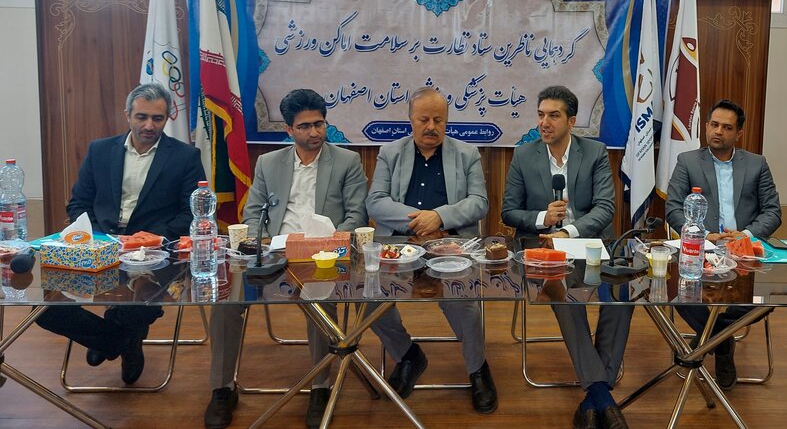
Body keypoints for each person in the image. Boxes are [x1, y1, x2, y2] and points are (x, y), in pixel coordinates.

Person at [204, 89, 367, 429]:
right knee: (226, 302)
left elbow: (356, 217)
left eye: (319, 124)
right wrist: (261, 243)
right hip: (273, 254)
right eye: (305, 126)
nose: (314, 132)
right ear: (289, 130)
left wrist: (328, 243)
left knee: (320, 300)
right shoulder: (269, 163)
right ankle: (222, 389)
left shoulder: (347, 161)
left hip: (323, 256)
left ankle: (320, 387)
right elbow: (253, 214)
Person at [36, 82, 205, 384]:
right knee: (45, 310)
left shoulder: (185, 156)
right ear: (127, 115)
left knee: (140, 305)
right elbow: (79, 203)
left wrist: (145, 239)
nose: (149, 125)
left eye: (157, 118)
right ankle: (118, 340)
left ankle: (114, 334)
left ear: (168, 118)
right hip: (100, 247)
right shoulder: (100, 150)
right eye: (141, 117)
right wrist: (96, 238)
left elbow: (190, 212)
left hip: (155, 254)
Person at [501, 85, 630, 429]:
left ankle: (595, 394)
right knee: (563, 294)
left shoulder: (595, 152)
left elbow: (605, 208)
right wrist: (543, 218)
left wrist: (569, 231)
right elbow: (509, 211)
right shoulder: (524, 155)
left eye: (553, 116)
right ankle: (602, 396)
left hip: (590, 243)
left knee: (623, 294)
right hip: (543, 249)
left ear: (571, 121)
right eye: (541, 115)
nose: (544, 123)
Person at [365, 87, 498, 414]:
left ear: (447, 120)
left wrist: (440, 217)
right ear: (410, 119)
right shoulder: (390, 152)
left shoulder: (466, 153)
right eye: (423, 119)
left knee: (464, 302)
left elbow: (479, 202)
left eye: (438, 120)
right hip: (400, 246)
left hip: (450, 244)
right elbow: (376, 202)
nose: (431, 127)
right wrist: (420, 221)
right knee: (367, 300)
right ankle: (408, 355)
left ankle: (477, 369)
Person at [665, 98, 782, 390]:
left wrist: (747, 235)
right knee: (678, 294)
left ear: (738, 133)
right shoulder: (688, 161)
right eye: (714, 125)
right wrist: (702, 234)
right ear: (706, 126)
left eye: (727, 127)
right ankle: (722, 344)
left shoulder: (756, 164)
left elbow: (772, 211)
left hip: (744, 253)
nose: (718, 131)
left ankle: (710, 338)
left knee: (763, 302)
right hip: (701, 248)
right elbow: (673, 208)